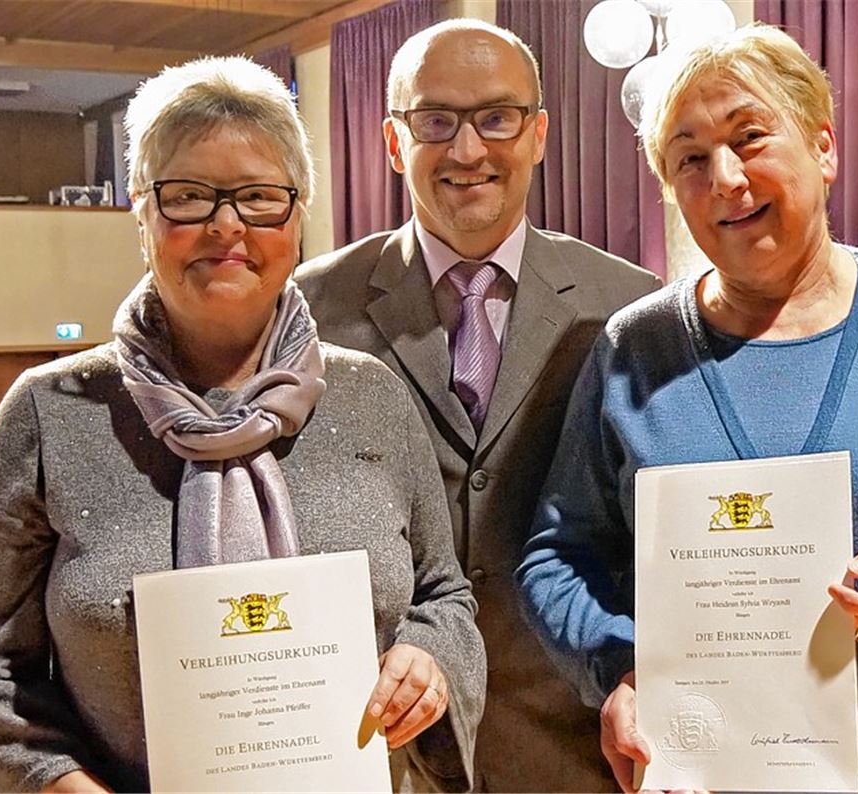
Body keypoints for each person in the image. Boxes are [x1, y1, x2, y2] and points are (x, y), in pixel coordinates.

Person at [516, 23, 858, 794]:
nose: (725, 178)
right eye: (689, 158)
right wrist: (618, 666)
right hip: (701, 777)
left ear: (823, 147)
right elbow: (556, 555)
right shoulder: (634, 350)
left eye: (750, 137)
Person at [0, 56, 485, 793]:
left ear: (298, 214)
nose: (226, 226)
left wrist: (430, 660)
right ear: (141, 212)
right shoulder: (49, 412)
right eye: (189, 196)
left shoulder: (372, 397)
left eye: (258, 197)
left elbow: (444, 596)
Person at [295, 18, 661, 793]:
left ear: (538, 134)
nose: (467, 150)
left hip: (577, 741)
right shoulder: (309, 311)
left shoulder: (630, 305)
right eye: (435, 121)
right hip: (376, 741)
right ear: (394, 142)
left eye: (497, 117)